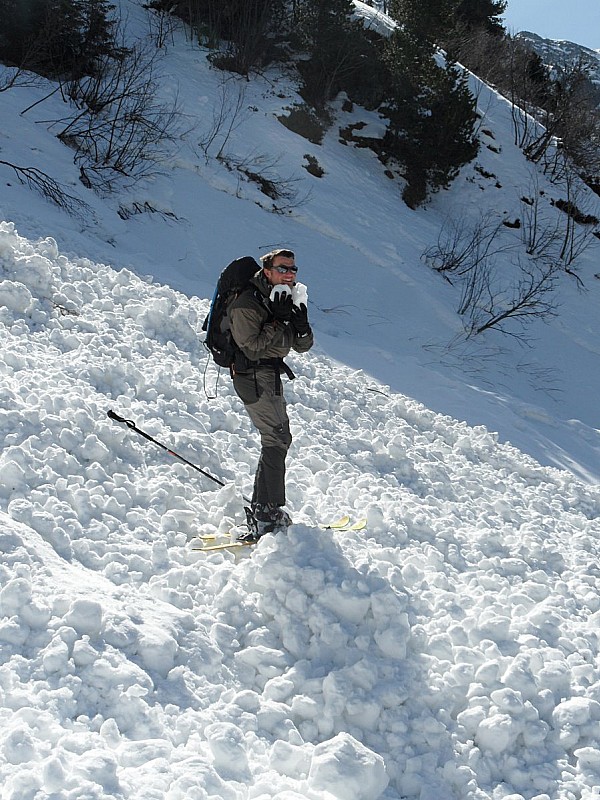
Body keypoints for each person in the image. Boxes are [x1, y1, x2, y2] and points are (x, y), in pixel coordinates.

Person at [228, 248, 313, 541]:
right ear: (267, 271)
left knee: (277, 438)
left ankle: (264, 509)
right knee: (276, 438)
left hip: (269, 375)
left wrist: (301, 326)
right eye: (283, 269)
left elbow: (302, 346)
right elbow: (251, 347)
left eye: (293, 269)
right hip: (252, 375)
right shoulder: (246, 304)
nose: (289, 275)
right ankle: (267, 513)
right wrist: (277, 319)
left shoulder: (283, 298)